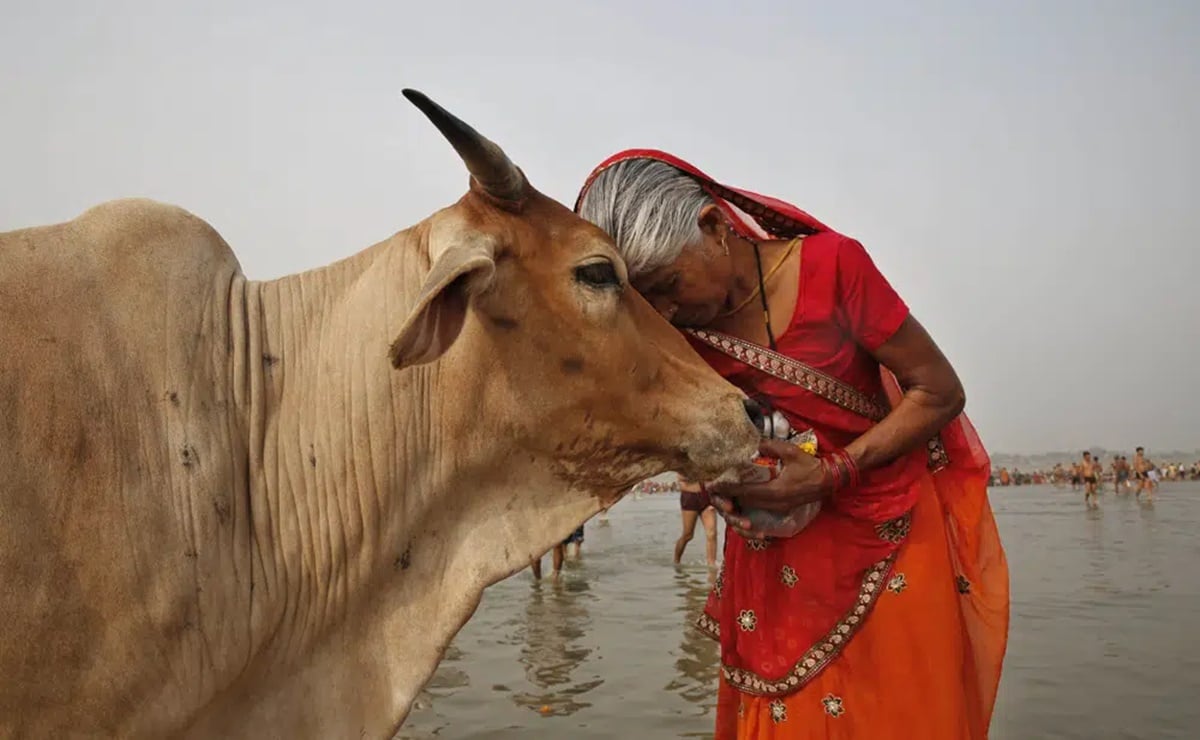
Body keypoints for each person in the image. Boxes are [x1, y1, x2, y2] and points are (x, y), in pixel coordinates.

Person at [576, 151, 1008, 739]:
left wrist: (830, 474)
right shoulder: (677, 333)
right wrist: (719, 482)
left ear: (713, 227)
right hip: (772, 552)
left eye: (669, 286)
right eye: (651, 303)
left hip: (889, 529)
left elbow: (938, 391)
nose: (668, 312)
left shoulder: (835, 269)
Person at [676, 475, 720, 569]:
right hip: (690, 496)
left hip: (707, 496)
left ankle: (711, 565)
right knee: (688, 535)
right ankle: (676, 561)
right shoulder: (686, 461)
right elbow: (681, 477)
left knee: (712, 534)